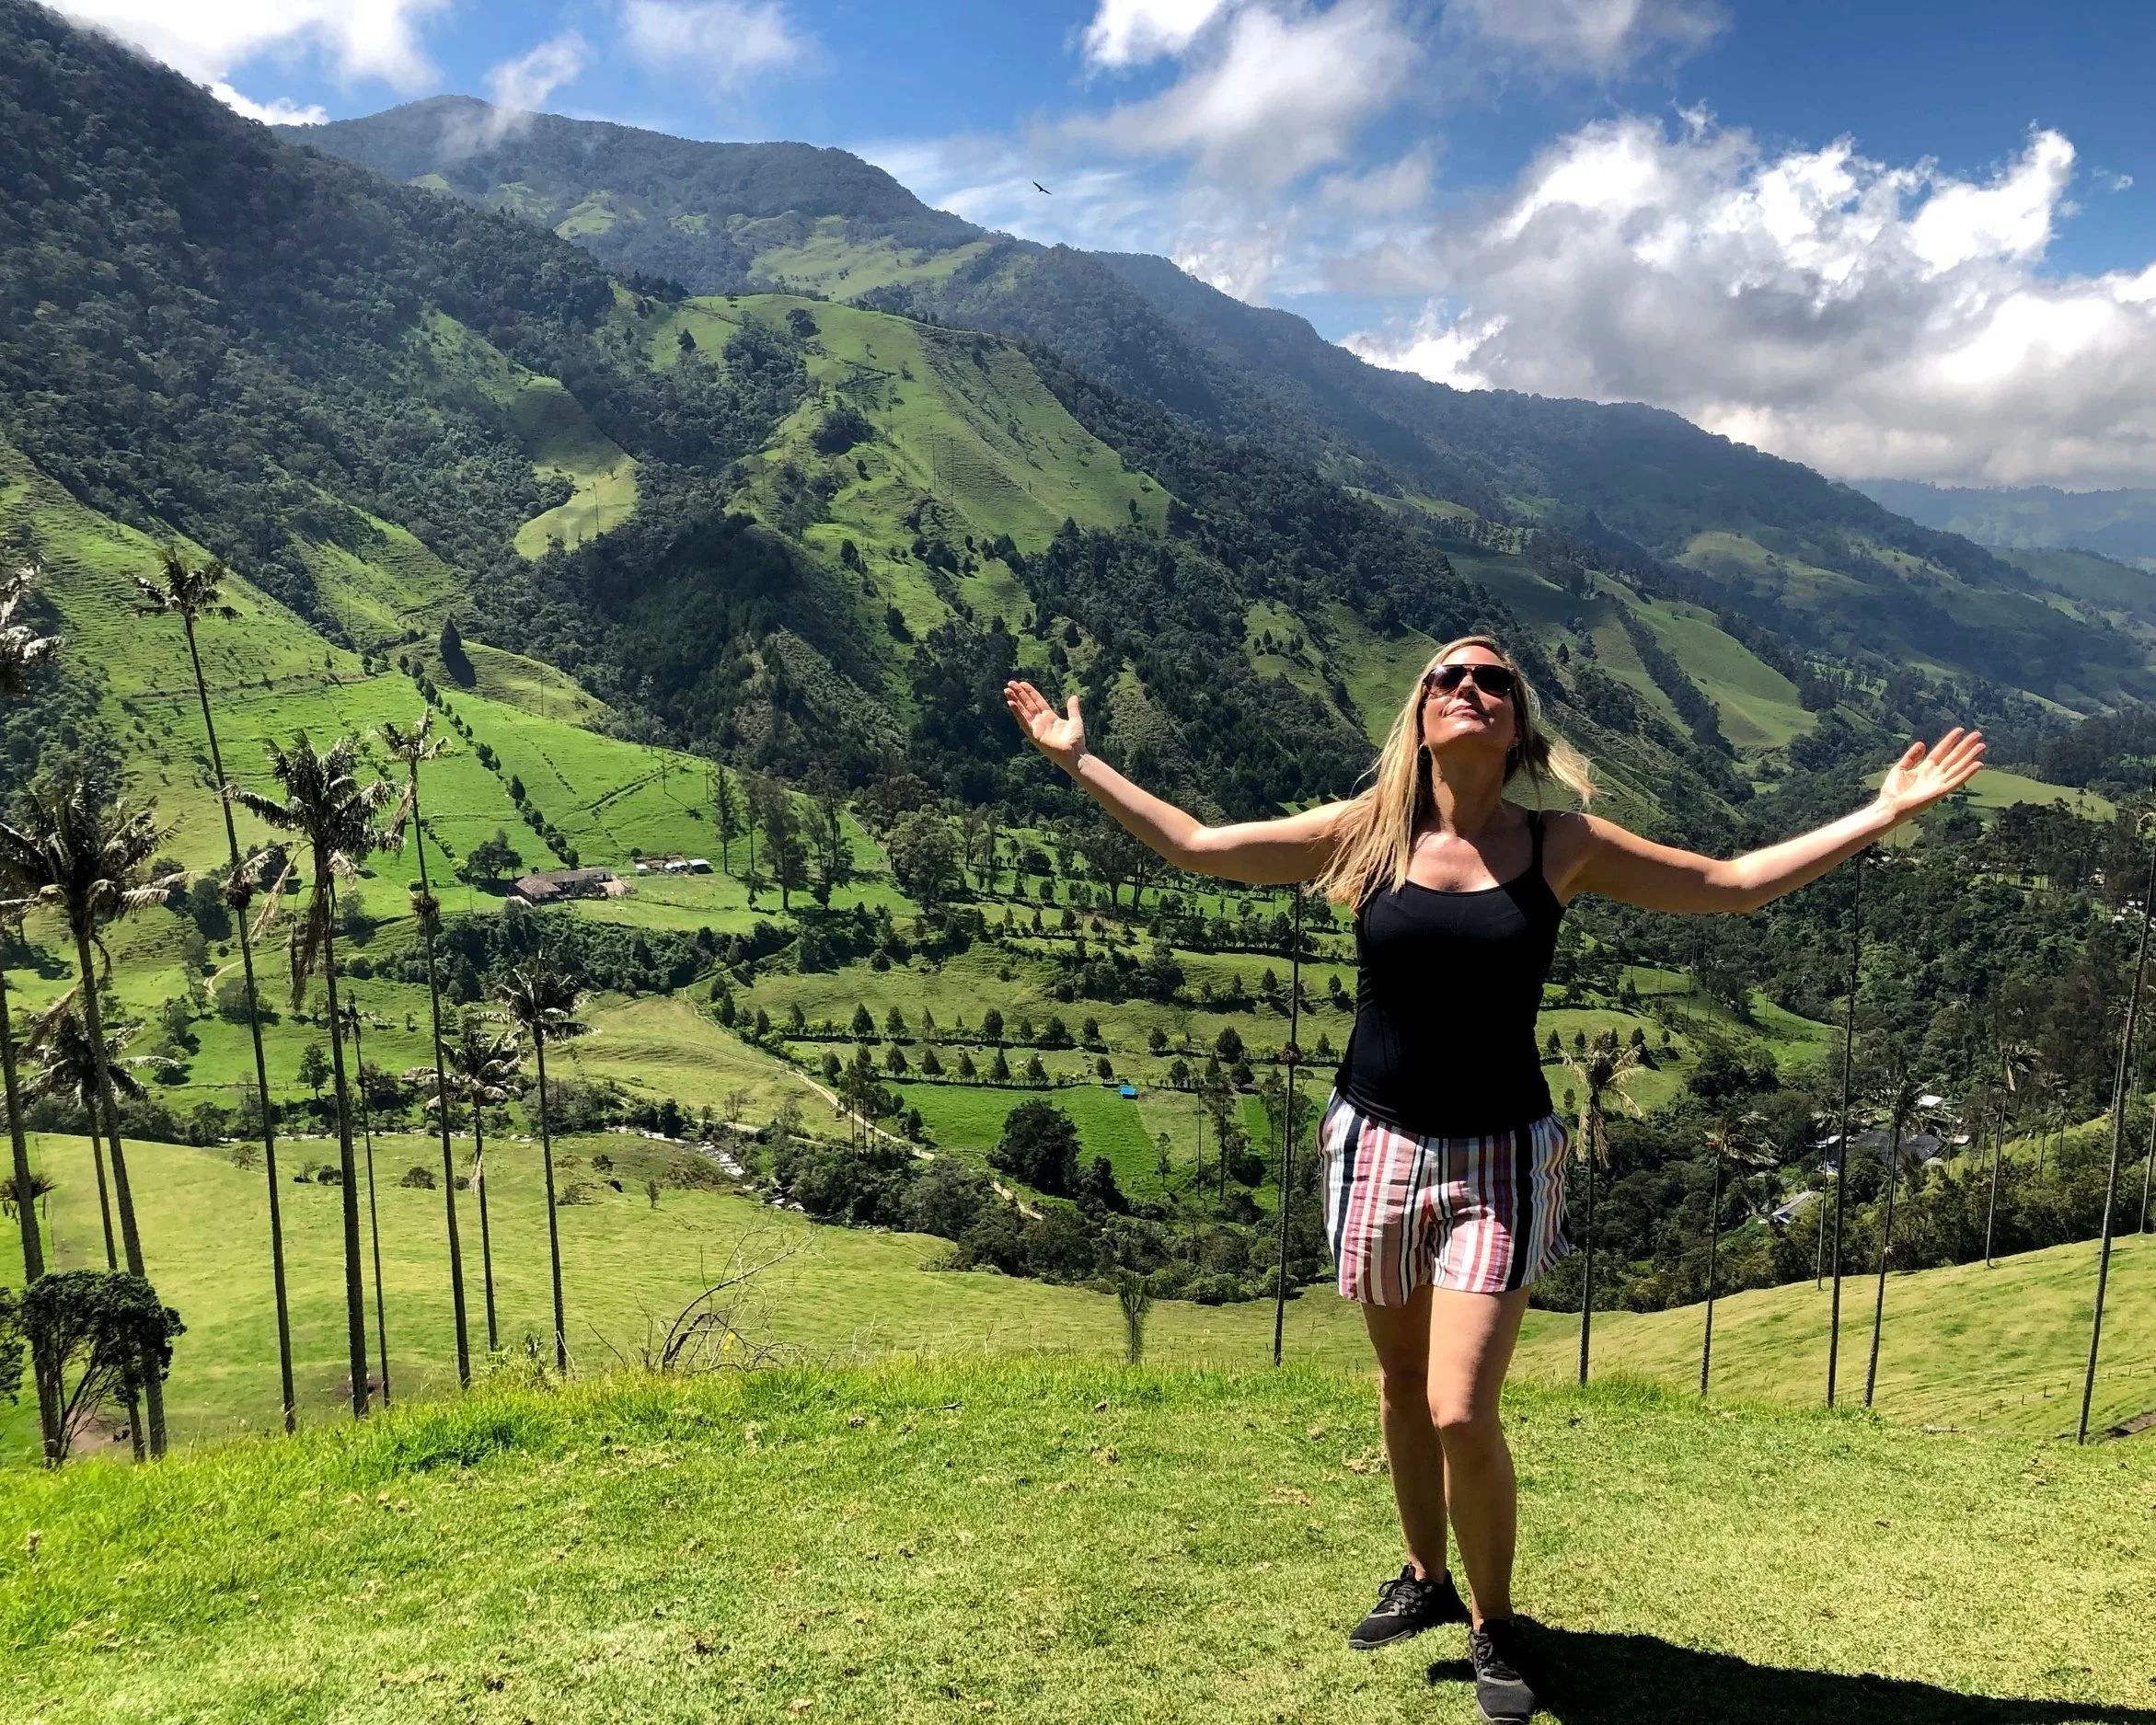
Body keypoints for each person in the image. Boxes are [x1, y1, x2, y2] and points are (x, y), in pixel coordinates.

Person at [1006, 635, 1982, 1723]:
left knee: (1460, 1407)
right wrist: (1074, 759)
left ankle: (1495, 1622)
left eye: (1493, 683)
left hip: (1501, 1158)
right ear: (1420, 714)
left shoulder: (1561, 843)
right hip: (1374, 1145)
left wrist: (1882, 815)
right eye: (1449, 680)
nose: (1470, 691)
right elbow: (1196, 845)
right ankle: (1424, 1579)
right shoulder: (1366, 833)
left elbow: (1732, 886)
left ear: (1517, 727)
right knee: (1397, 1390)